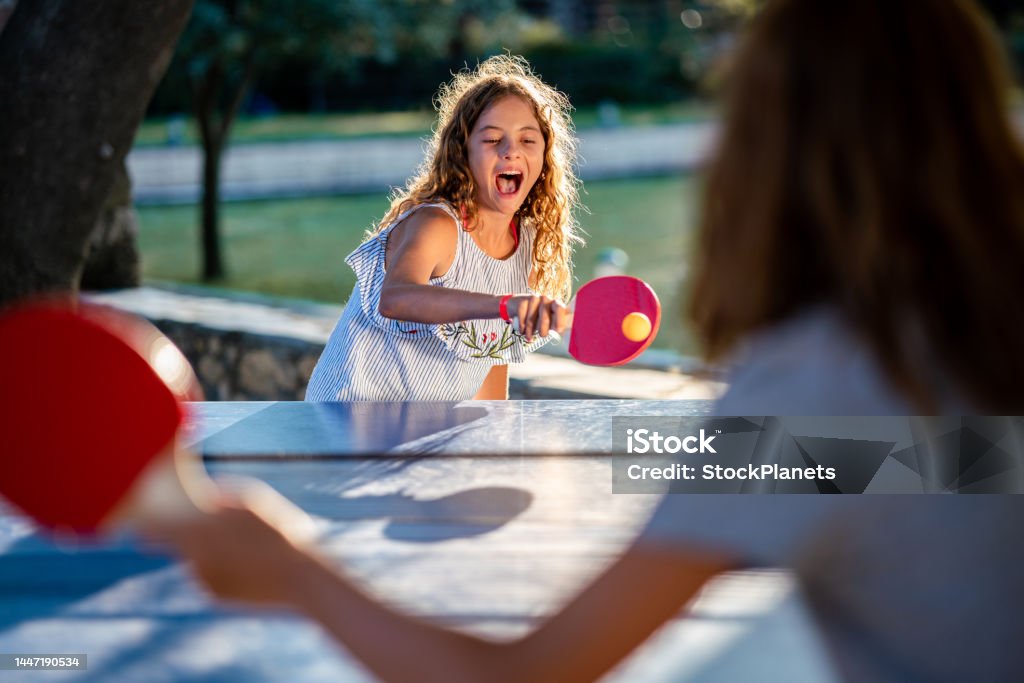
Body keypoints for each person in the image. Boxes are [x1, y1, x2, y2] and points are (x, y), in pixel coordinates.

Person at [151, 1, 1024, 681]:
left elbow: (519, 673)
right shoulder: (968, 342)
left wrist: (290, 568)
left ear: (767, 154)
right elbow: (915, 464)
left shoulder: (817, 376)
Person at [305, 55, 582, 401]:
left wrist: (494, 439)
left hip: (423, 430)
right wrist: (506, 304)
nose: (511, 151)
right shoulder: (436, 224)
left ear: (543, 157)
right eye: (493, 139)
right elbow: (396, 298)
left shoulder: (526, 246)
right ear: (462, 152)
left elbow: (490, 358)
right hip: (350, 414)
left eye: (528, 140)